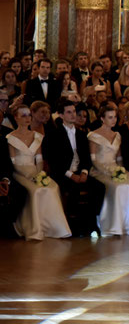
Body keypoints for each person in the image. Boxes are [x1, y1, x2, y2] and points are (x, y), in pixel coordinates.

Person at [7, 105, 71, 240]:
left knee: (53, 187)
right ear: (16, 118)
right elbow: (13, 162)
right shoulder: (11, 137)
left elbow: (39, 159)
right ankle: (33, 227)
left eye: (28, 115)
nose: (27, 118)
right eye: (23, 115)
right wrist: (28, 175)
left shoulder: (37, 136)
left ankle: (53, 227)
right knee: (35, 191)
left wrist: (39, 174)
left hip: (35, 171)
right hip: (20, 172)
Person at [46, 100, 105, 236]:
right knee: (73, 190)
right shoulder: (53, 134)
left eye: (74, 112)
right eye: (69, 112)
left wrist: (84, 172)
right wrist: (71, 175)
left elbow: (86, 158)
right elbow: (54, 161)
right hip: (62, 174)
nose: (73, 115)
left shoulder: (81, 134)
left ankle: (91, 223)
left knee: (99, 187)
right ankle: (74, 226)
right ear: (61, 115)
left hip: (80, 172)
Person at [88, 106, 129, 236]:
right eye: (110, 117)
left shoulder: (117, 135)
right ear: (102, 118)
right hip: (100, 170)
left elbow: (119, 157)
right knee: (116, 186)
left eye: (115, 117)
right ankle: (112, 224)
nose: (113, 120)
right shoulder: (93, 136)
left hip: (116, 168)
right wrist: (107, 171)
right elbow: (94, 160)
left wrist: (121, 170)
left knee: (127, 182)